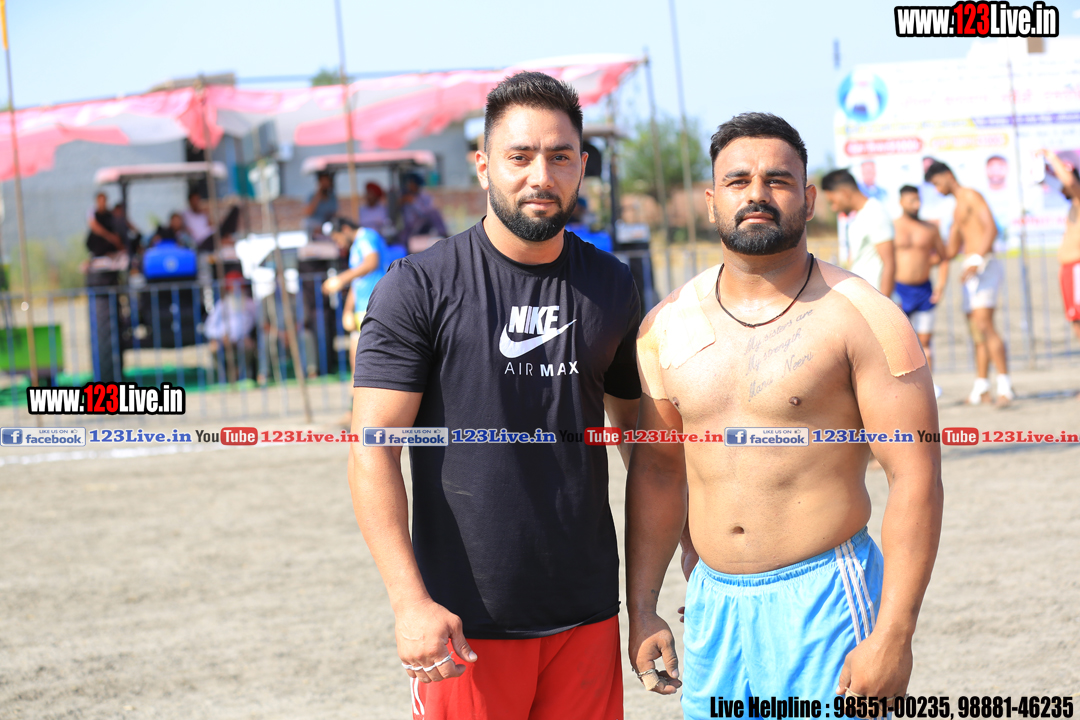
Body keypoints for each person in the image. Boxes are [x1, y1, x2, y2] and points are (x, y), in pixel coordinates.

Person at [626, 113, 942, 714]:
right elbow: (659, 470)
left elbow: (916, 477)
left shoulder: (862, 316)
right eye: (738, 180)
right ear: (711, 201)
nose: (757, 194)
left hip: (826, 597)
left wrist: (894, 636)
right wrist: (641, 606)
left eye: (778, 180)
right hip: (714, 604)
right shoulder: (667, 325)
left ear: (809, 198)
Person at [348, 71, 641, 720]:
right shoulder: (418, 287)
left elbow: (645, 447)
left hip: (588, 616)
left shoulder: (613, 286)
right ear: (483, 166)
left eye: (560, 157)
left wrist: (645, 599)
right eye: (520, 156)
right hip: (464, 626)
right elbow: (373, 450)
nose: (541, 175)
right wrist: (409, 602)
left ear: (582, 167)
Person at [926, 161, 1013, 406]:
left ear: (948, 175)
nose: (937, 190)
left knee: (986, 325)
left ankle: (1005, 387)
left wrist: (977, 258)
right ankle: (982, 387)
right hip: (970, 269)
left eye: (937, 183)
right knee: (976, 330)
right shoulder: (956, 208)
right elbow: (950, 251)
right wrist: (922, 258)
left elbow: (991, 229)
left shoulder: (971, 195)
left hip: (984, 265)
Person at [894, 185, 949, 397]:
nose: (916, 205)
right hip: (899, 290)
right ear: (901, 202)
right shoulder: (893, 227)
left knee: (925, 341)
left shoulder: (930, 229)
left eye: (918, 200)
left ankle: (929, 387)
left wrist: (940, 287)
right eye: (911, 201)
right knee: (898, 341)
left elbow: (944, 258)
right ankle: (901, 388)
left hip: (924, 290)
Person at [321, 216, 388, 377]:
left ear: (345, 229)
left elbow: (371, 263)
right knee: (356, 359)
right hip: (362, 309)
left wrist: (340, 279)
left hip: (376, 306)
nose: (338, 244)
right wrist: (347, 310)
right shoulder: (357, 245)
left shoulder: (367, 237)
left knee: (370, 361)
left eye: (337, 238)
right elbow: (357, 282)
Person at [821, 168, 895, 297]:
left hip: (875, 301)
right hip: (863, 298)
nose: (833, 208)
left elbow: (890, 263)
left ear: (844, 193)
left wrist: (884, 305)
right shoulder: (859, 217)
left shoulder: (875, 212)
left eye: (833, 201)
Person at [1038, 149, 1080, 350]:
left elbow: (1069, 183)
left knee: (1078, 321)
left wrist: (1051, 156)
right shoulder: (1073, 203)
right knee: (1075, 321)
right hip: (1070, 269)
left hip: (1076, 268)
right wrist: (1042, 172)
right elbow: (1060, 185)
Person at [400, 171, 448, 247]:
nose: (409, 185)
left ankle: (444, 235)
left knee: (434, 213)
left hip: (423, 226)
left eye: (411, 183)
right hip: (410, 229)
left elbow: (425, 212)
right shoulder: (404, 196)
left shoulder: (424, 196)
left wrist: (414, 202)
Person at [86, 192, 124, 258]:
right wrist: (110, 237)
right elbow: (95, 227)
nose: (103, 203)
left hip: (109, 243)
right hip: (98, 243)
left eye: (104, 201)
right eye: (101, 201)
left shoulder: (109, 214)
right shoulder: (92, 212)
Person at [305, 171, 338, 236]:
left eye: (327, 181)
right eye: (323, 181)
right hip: (314, 226)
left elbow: (334, 213)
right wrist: (318, 196)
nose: (325, 184)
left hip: (327, 226)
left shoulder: (332, 197)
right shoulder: (312, 196)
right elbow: (308, 212)